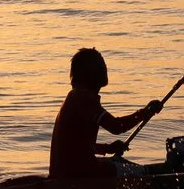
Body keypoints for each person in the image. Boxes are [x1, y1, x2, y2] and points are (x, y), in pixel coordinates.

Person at [50, 48, 161, 180]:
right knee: (143, 172)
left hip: (68, 170)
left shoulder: (76, 97)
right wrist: (145, 112)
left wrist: (108, 149)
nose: (104, 68)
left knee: (119, 163)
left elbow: (77, 146)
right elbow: (116, 126)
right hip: (78, 173)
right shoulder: (84, 99)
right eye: (99, 65)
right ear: (88, 73)